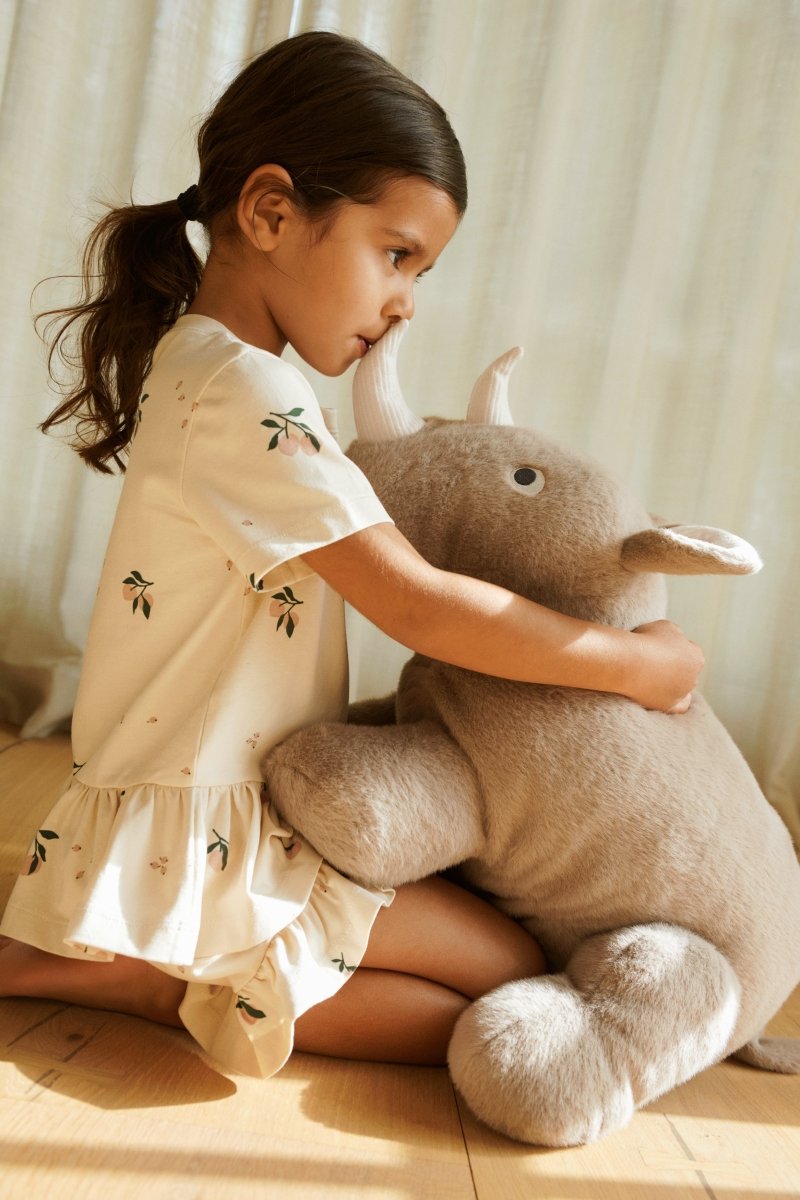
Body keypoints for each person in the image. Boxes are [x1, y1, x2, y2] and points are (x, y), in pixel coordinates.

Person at [0, 31, 703, 1077]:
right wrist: (636, 666)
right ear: (270, 212)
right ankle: (157, 972)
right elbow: (418, 605)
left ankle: (158, 962)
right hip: (217, 827)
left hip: (233, 807)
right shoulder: (248, 391)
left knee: (501, 980)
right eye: (396, 255)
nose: (406, 299)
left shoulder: (223, 371)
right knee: (508, 978)